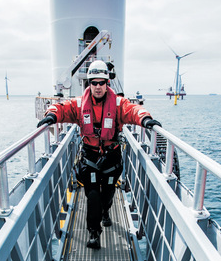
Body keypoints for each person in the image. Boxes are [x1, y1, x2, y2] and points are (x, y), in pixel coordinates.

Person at [37, 60, 162, 249]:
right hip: (90, 157)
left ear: (107, 84)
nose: (97, 87)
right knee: (93, 195)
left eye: (101, 82)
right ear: (89, 84)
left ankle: (106, 211)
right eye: (93, 82)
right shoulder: (79, 104)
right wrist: (51, 115)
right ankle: (94, 233)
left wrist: (146, 120)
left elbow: (133, 110)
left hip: (111, 157)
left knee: (108, 193)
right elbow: (62, 108)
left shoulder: (118, 104)